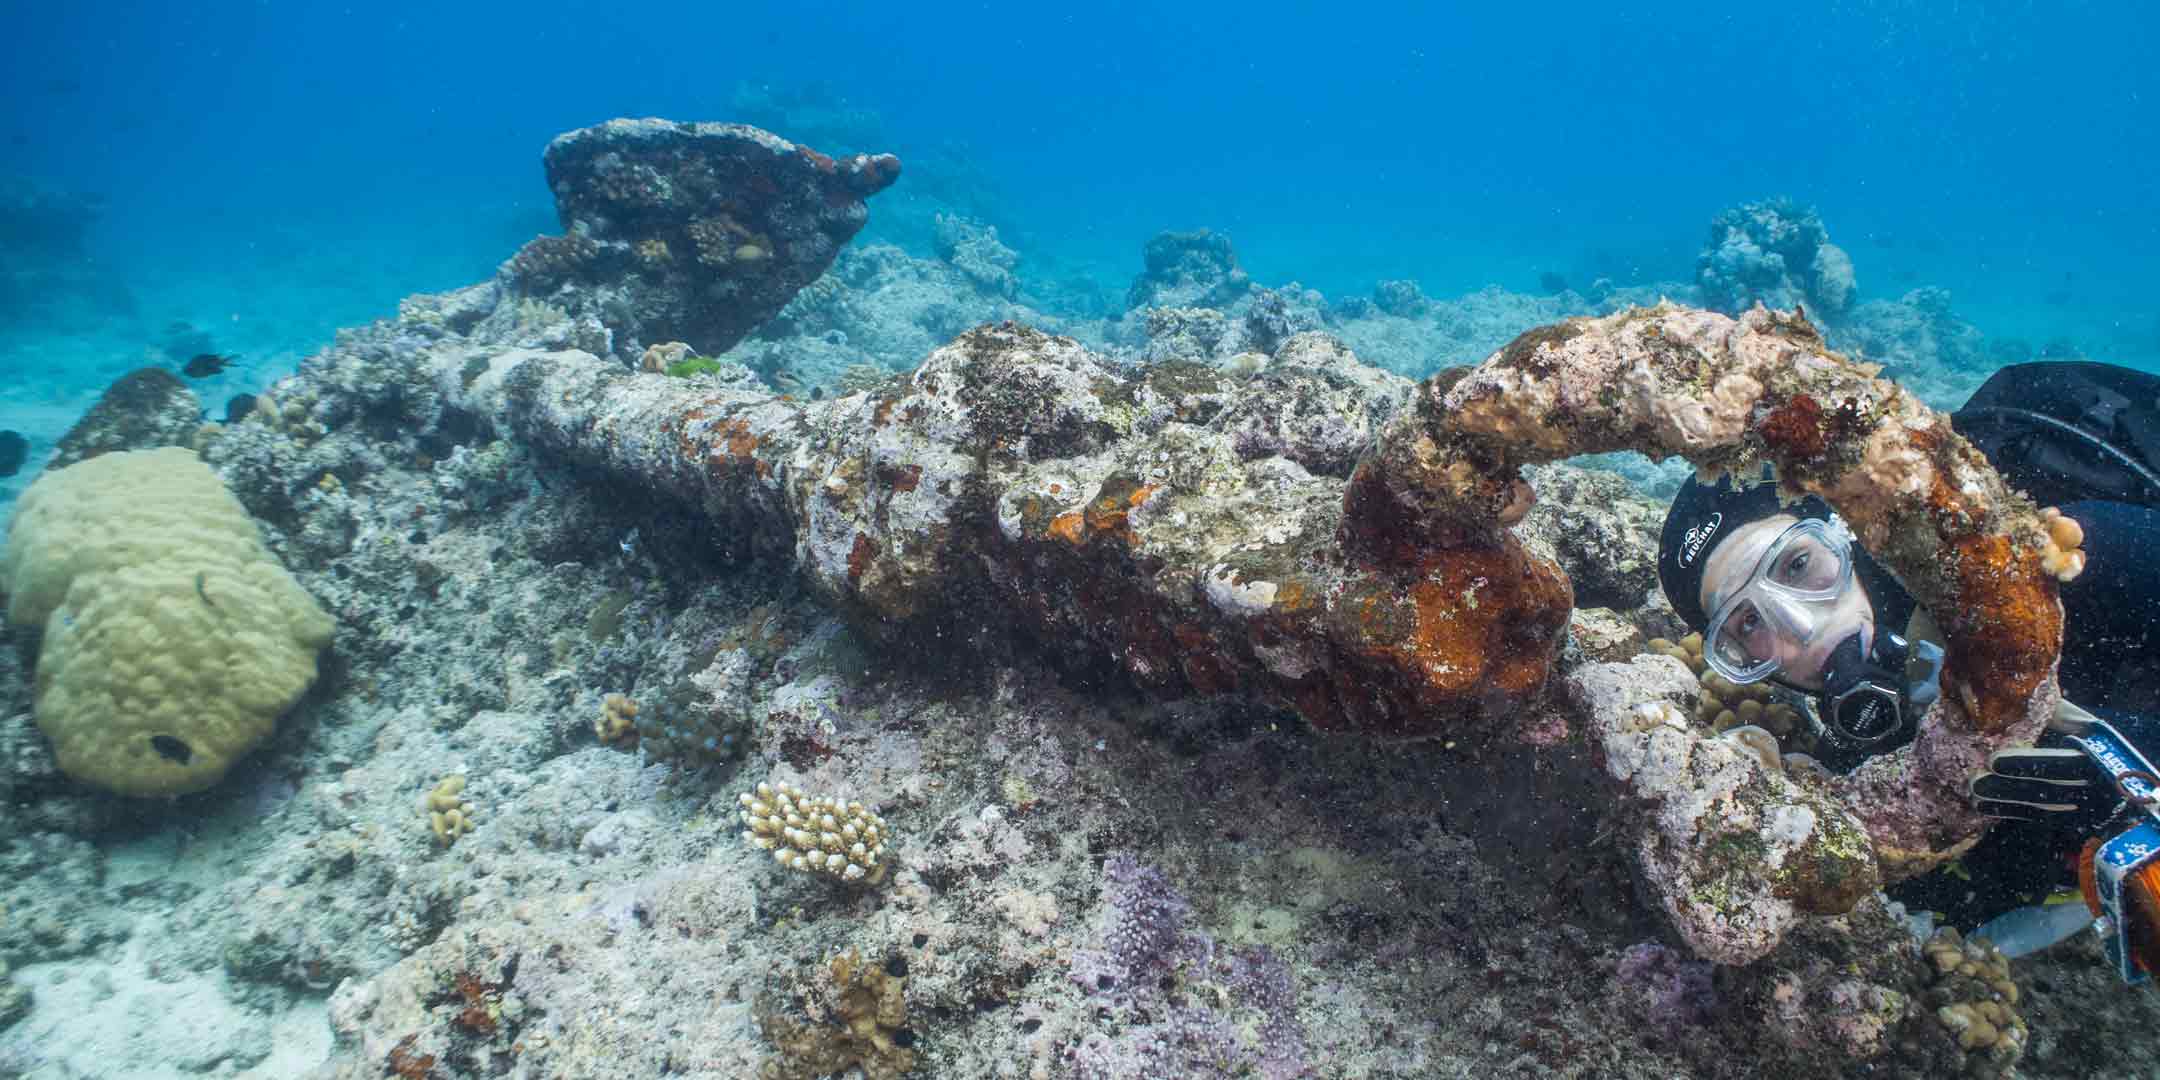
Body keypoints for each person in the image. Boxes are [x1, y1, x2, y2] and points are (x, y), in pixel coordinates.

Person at [1655, 360, 2160, 976]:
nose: (1803, 629)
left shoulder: (2076, 553)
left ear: (1845, 534)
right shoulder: (1857, 764)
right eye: (1748, 627)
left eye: (1797, 567)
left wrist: (2136, 760)